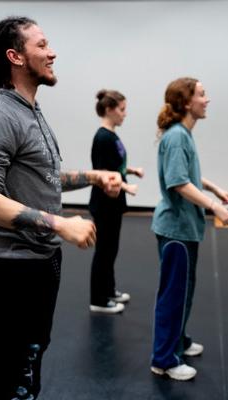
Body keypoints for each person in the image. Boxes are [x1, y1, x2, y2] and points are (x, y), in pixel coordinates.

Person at [0, 17, 122, 400]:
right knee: (8, 377)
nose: (52, 51)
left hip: (39, 262)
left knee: (31, 360)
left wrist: (93, 176)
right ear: (16, 56)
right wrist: (59, 224)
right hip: (10, 269)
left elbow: (44, 177)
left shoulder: (30, 111)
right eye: (42, 45)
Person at [150, 77, 228, 381]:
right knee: (174, 295)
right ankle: (163, 359)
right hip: (176, 230)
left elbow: (187, 174)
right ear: (187, 103)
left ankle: (177, 341)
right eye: (202, 94)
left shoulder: (183, 135)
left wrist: (214, 188)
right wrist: (214, 206)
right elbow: (177, 182)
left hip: (185, 229)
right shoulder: (177, 137)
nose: (207, 99)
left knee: (183, 292)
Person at [89, 89, 144, 314]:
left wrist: (131, 170)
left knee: (111, 249)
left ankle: (109, 290)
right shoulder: (102, 137)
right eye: (122, 110)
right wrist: (126, 186)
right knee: (104, 251)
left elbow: (115, 165)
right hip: (105, 203)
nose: (125, 114)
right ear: (110, 109)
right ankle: (99, 300)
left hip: (113, 203)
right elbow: (102, 172)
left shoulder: (111, 135)